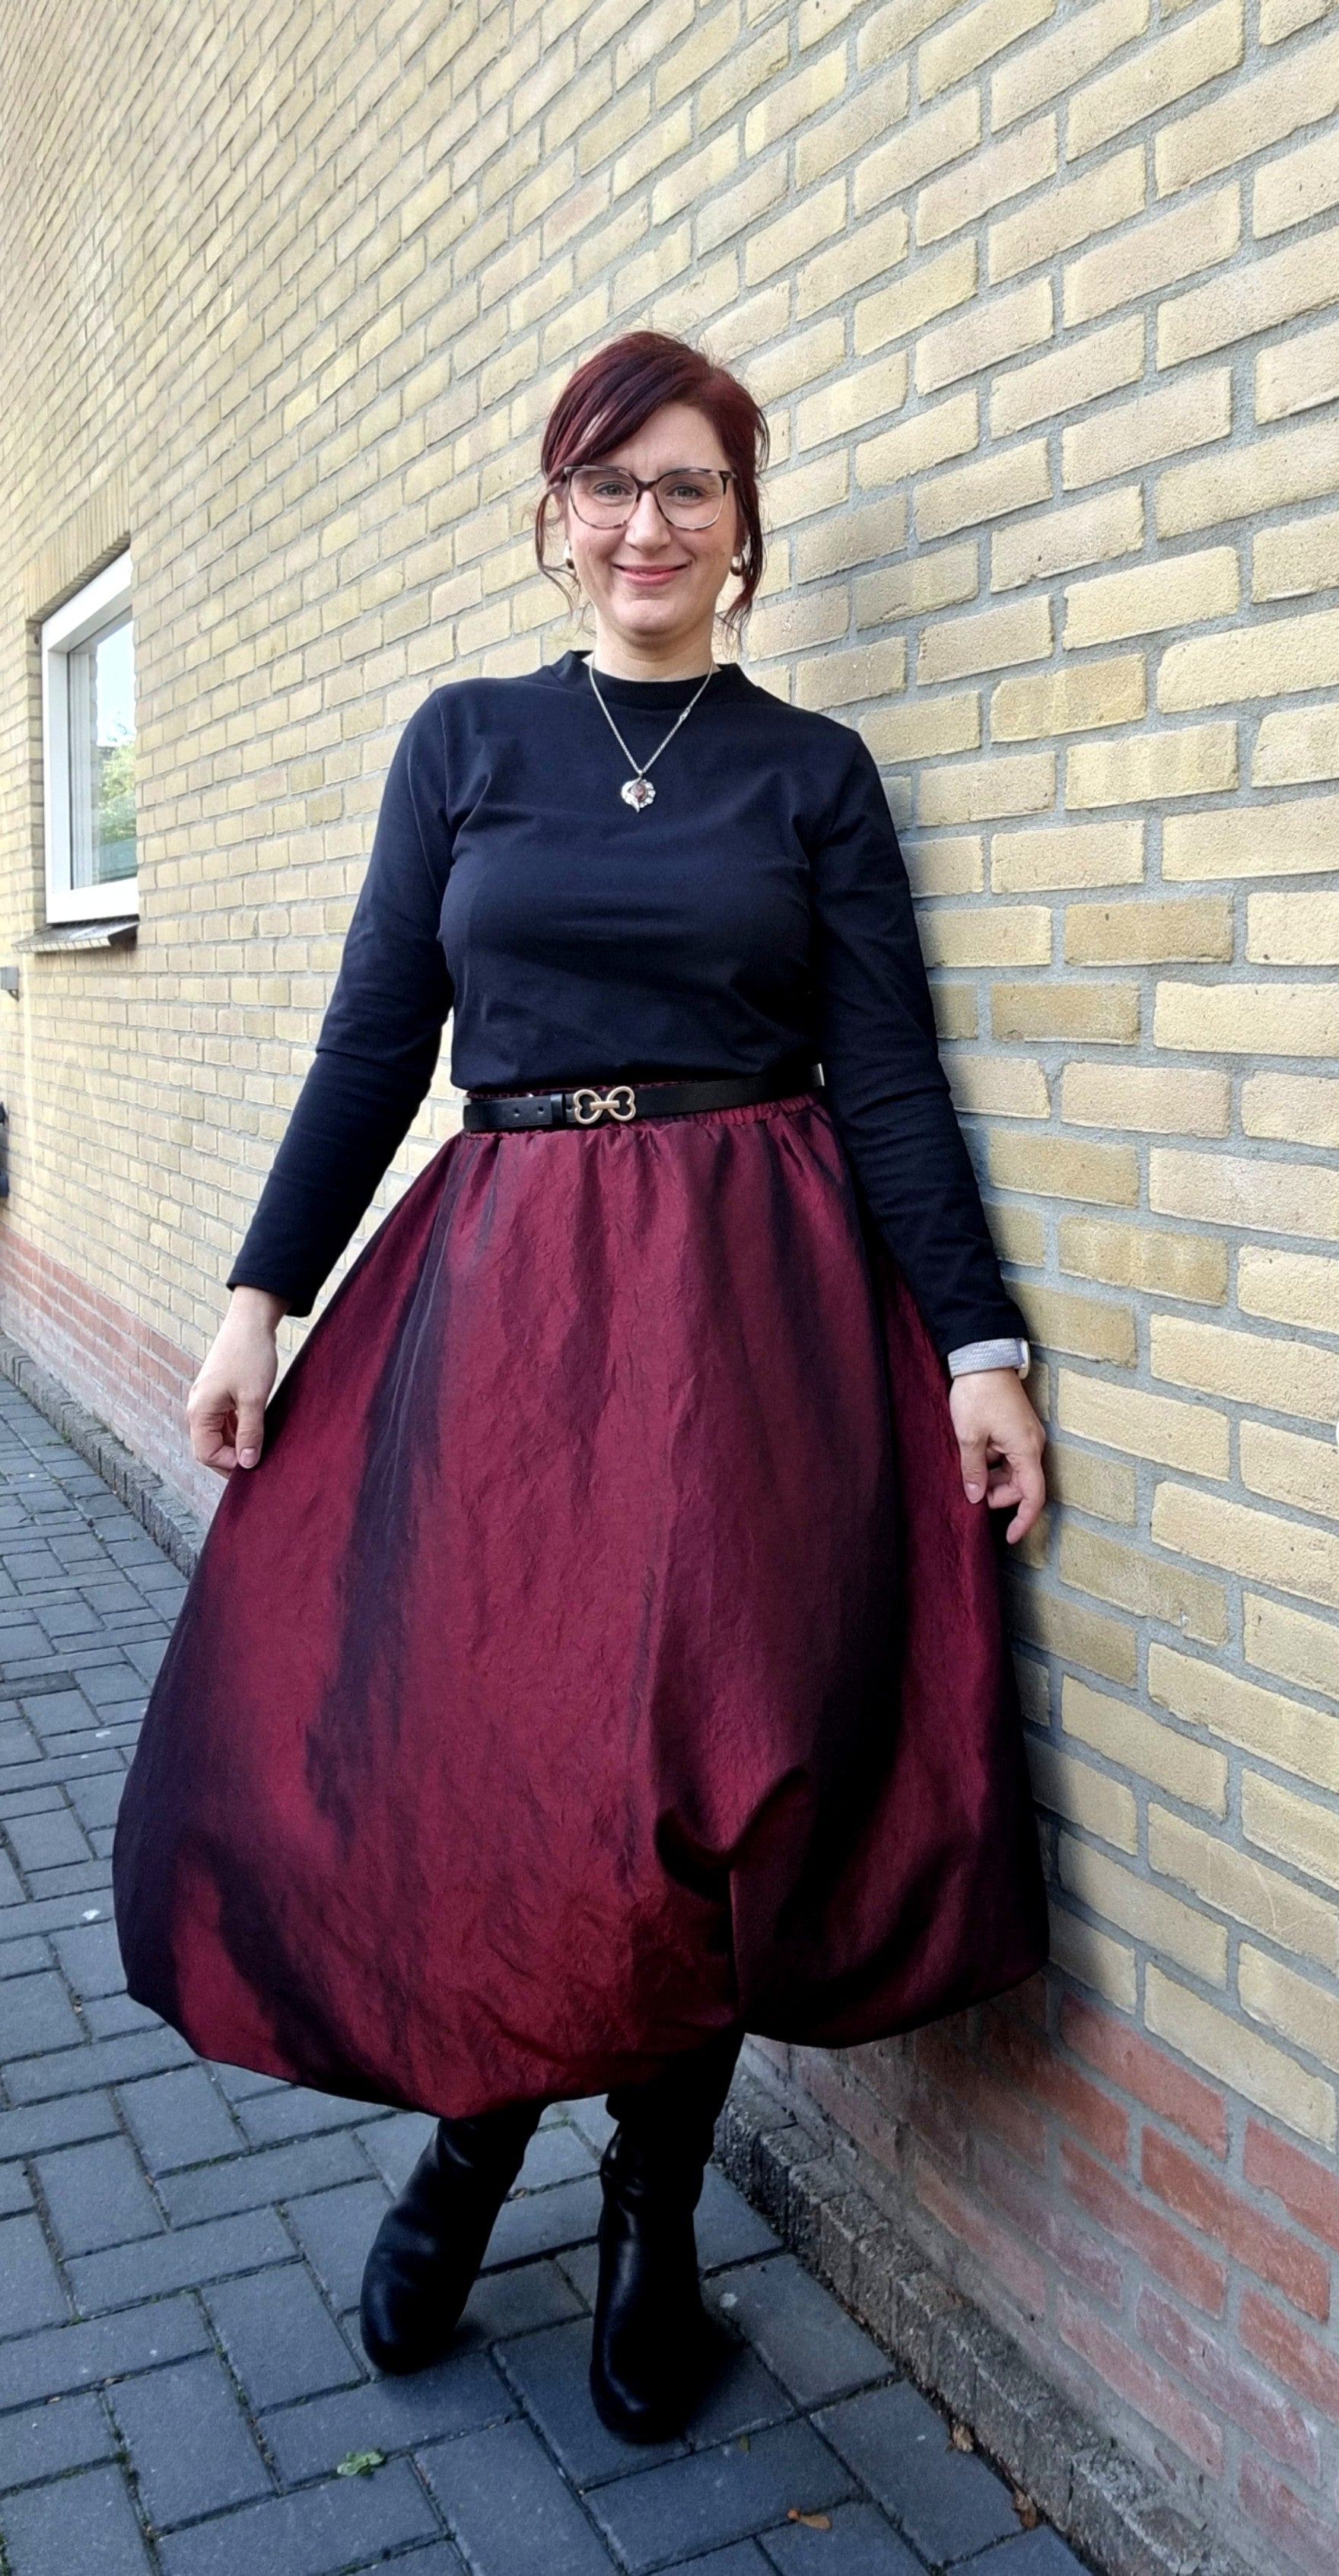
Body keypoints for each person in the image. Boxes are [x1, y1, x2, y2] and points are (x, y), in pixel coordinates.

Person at [113, 331, 1048, 2445]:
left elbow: (890, 1075)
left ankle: (655, 2217)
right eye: (609, 486)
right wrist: (259, 1295)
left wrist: (978, 1346)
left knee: (707, 1774)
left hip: (755, 1325)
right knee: (511, 1764)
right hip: (514, 1315)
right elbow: (373, 1044)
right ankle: (471, 2137)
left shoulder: (812, 774)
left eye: (692, 488)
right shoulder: (463, 743)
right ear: (552, 520)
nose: (650, 523)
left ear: (746, 531)